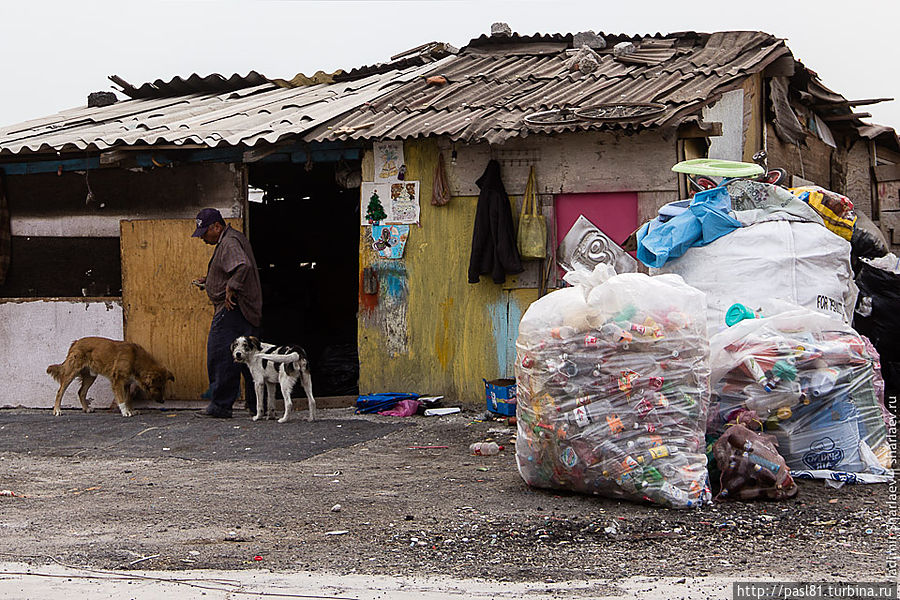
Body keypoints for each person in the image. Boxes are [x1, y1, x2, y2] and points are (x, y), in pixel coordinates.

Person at [191, 208, 262, 418]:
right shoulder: (230, 239)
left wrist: (231, 286)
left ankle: (221, 405)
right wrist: (211, 280)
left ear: (216, 226)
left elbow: (243, 265)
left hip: (232, 309)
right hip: (242, 310)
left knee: (221, 355)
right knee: (248, 356)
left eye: (205, 232)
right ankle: (256, 404)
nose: (203, 237)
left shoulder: (229, 242)